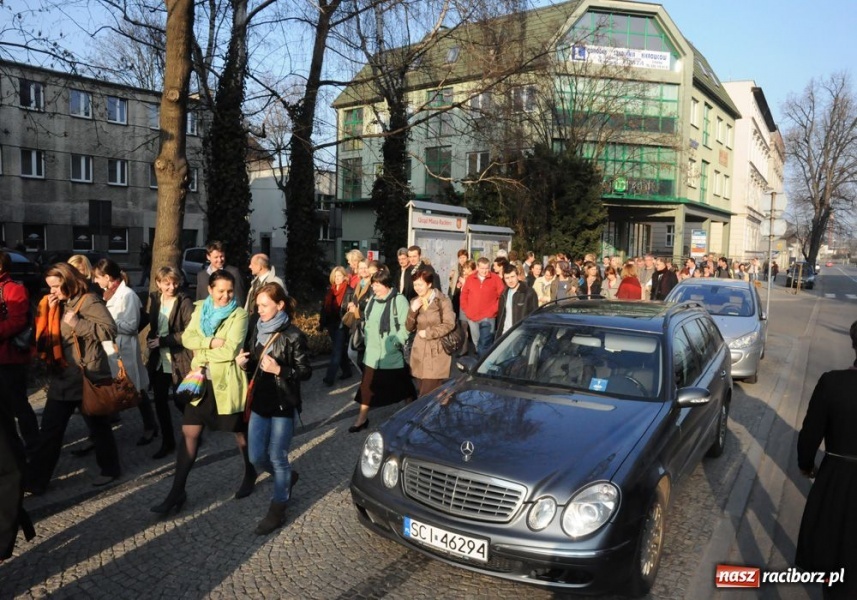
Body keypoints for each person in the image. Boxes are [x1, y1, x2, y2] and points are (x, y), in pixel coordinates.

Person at [151, 269, 251, 514]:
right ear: (210, 290)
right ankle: (177, 491)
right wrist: (210, 343)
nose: (226, 296)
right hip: (199, 382)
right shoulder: (200, 309)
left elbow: (230, 350)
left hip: (225, 384)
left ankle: (250, 472)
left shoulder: (239, 315)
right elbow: (187, 338)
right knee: (189, 433)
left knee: (239, 433)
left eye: (230, 291)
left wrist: (202, 351)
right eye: (221, 291)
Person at [26, 263, 121, 494]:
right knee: (50, 430)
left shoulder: (89, 301)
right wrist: (49, 311)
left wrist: (78, 323)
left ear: (68, 282)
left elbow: (110, 330)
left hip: (87, 376)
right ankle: (36, 481)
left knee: (98, 426)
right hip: (63, 376)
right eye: (49, 287)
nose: (52, 291)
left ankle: (110, 469)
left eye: (56, 286)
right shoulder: (58, 303)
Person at [237, 283, 311, 535]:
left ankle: (277, 509)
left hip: (283, 404)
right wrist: (244, 364)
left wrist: (280, 370)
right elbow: (255, 365)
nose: (259, 310)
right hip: (260, 402)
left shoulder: (293, 336)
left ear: (280, 305)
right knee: (256, 456)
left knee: (278, 457)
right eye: (257, 305)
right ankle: (287, 476)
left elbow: (305, 371)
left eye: (264, 305)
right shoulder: (257, 328)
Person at [794, 320, 857, 600]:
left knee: (836, 554)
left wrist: (806, 466)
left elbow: (810, 435)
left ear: (854, 344)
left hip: (837, 480)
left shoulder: (832, 383)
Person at [92, 258, 157, 445]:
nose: (95, 281)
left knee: (135, 388)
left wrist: (106, 323)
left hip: (124, 348)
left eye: (97, 277)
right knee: (117, 386)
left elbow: (131, 326)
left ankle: (150, 426)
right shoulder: (108, 294)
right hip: (112, 348)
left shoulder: (127, 295)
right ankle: (109, 421)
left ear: (107, 277)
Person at [350, 269, 415, 432]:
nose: (374, 288)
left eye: (377, 285)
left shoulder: (399, 300)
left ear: (386, 284)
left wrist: (395, 343)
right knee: (366, 387)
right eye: (373, 285)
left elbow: (406, 326)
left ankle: (415, 413)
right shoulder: (373, 299)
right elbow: (367, 320)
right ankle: (361, 419)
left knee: (404, 387)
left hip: (390, 354)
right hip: (372, 354)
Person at [145, 267, 194, 459]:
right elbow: (154, 325)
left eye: (175, 282)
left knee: (182, 402)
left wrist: (164, 341)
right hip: (160, 360)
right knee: (160, 402)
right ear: (158, 283)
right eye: (167, 283)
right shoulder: (155, 299)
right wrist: (151, 339)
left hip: (179, 358)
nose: (172, 287)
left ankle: (194, 433)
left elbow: (190, 332)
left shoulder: (184, 301)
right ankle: (168, 442)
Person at [0, 250, 38, 456]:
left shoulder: (14, 289)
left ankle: (32, 445)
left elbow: (18, 321)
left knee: (18, 404)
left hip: (10, 357)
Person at [406, 269, 456, 397]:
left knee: (427, 393)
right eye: (415, 285)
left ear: (429, 284)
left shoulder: (442, 300)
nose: (417, 288)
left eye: (420, 284)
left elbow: (449, 324)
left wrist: (428, 333)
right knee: (426, 389)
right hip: (419, 350)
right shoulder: (415, 301)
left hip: (437, 350)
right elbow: (409, 327)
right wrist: (412, 310)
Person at [460, 257, 505, 357]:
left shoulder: (495, 279)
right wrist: (466, 309)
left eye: (486, 268)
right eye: (482, 268)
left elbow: (502, 296)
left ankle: (483, 362)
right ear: (477, 267)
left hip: (488, 317)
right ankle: (480, 359)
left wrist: (493, 310)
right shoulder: (470, 279)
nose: (484, 271)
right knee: (476, 341)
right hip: (472, 316)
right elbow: (464, 295)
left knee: (485, 342)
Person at [320, 266, 352, 386]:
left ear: (344, 277)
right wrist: (321, 323)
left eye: (339, 276)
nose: (337, 278)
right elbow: (324, 307)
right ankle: (347, 371)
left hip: (342, 323)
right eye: (335, 276)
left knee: (336, 350)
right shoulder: (330, 290)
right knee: (340, 349)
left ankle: (329, 377)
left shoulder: (349, 291)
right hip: (331, 323)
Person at [196, 241, 246, 307]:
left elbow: (239, 300)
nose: (219, 260)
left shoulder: (233, 273)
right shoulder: (201, 276)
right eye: (216, 257)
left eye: (221, 256)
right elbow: (199, 300)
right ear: (208, 257)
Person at [495, 263, 538, 338]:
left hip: (521, 334)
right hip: (505, 333)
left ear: (517, 276)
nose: (510, 280)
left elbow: (535, 316)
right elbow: (501, 317)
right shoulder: (503, 294)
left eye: (512, 277)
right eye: (507, 278)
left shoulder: (529, 292)